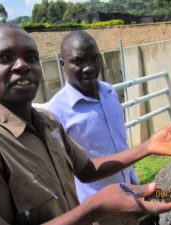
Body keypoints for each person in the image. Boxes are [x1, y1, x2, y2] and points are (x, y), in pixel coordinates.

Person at [0, 24, 171, 225]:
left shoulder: (47, 123)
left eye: (31, 58)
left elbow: (87, 169)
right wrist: (94, 208)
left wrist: (148, 146)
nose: (22, 65)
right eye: (4, 58)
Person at [41, 30, 137, 225]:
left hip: (131, 193)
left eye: (94, 59)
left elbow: (120, 144)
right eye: (78, 61)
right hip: (98, 212)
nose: (89, 68)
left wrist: (132, 178)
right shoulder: (55, 112)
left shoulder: (109, 92)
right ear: (62, 65)